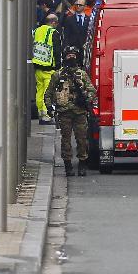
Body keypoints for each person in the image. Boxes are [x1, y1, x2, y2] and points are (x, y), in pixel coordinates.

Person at [45, 46, 98, 176]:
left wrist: (86, 98)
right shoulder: (57, 75)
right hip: (64, 113)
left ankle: (82, 164)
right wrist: (49, 108)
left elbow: (92, 91)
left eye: (73, 55)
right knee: (66, 140)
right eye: (69, 55)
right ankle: (68, 166)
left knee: (81, 139)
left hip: (80, 112)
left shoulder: (82, 74)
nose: (71, 57)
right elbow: (48, 93)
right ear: (65, 56)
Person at [32, 13, 63, 125]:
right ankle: (46, 116)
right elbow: (57, 51)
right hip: (49, 68)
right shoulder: (53, 32)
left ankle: (40, 112)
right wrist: (59, 67)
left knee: (39, 91)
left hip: (38, 67)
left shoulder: (37, 31)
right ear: (53, 22)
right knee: (47, 92)